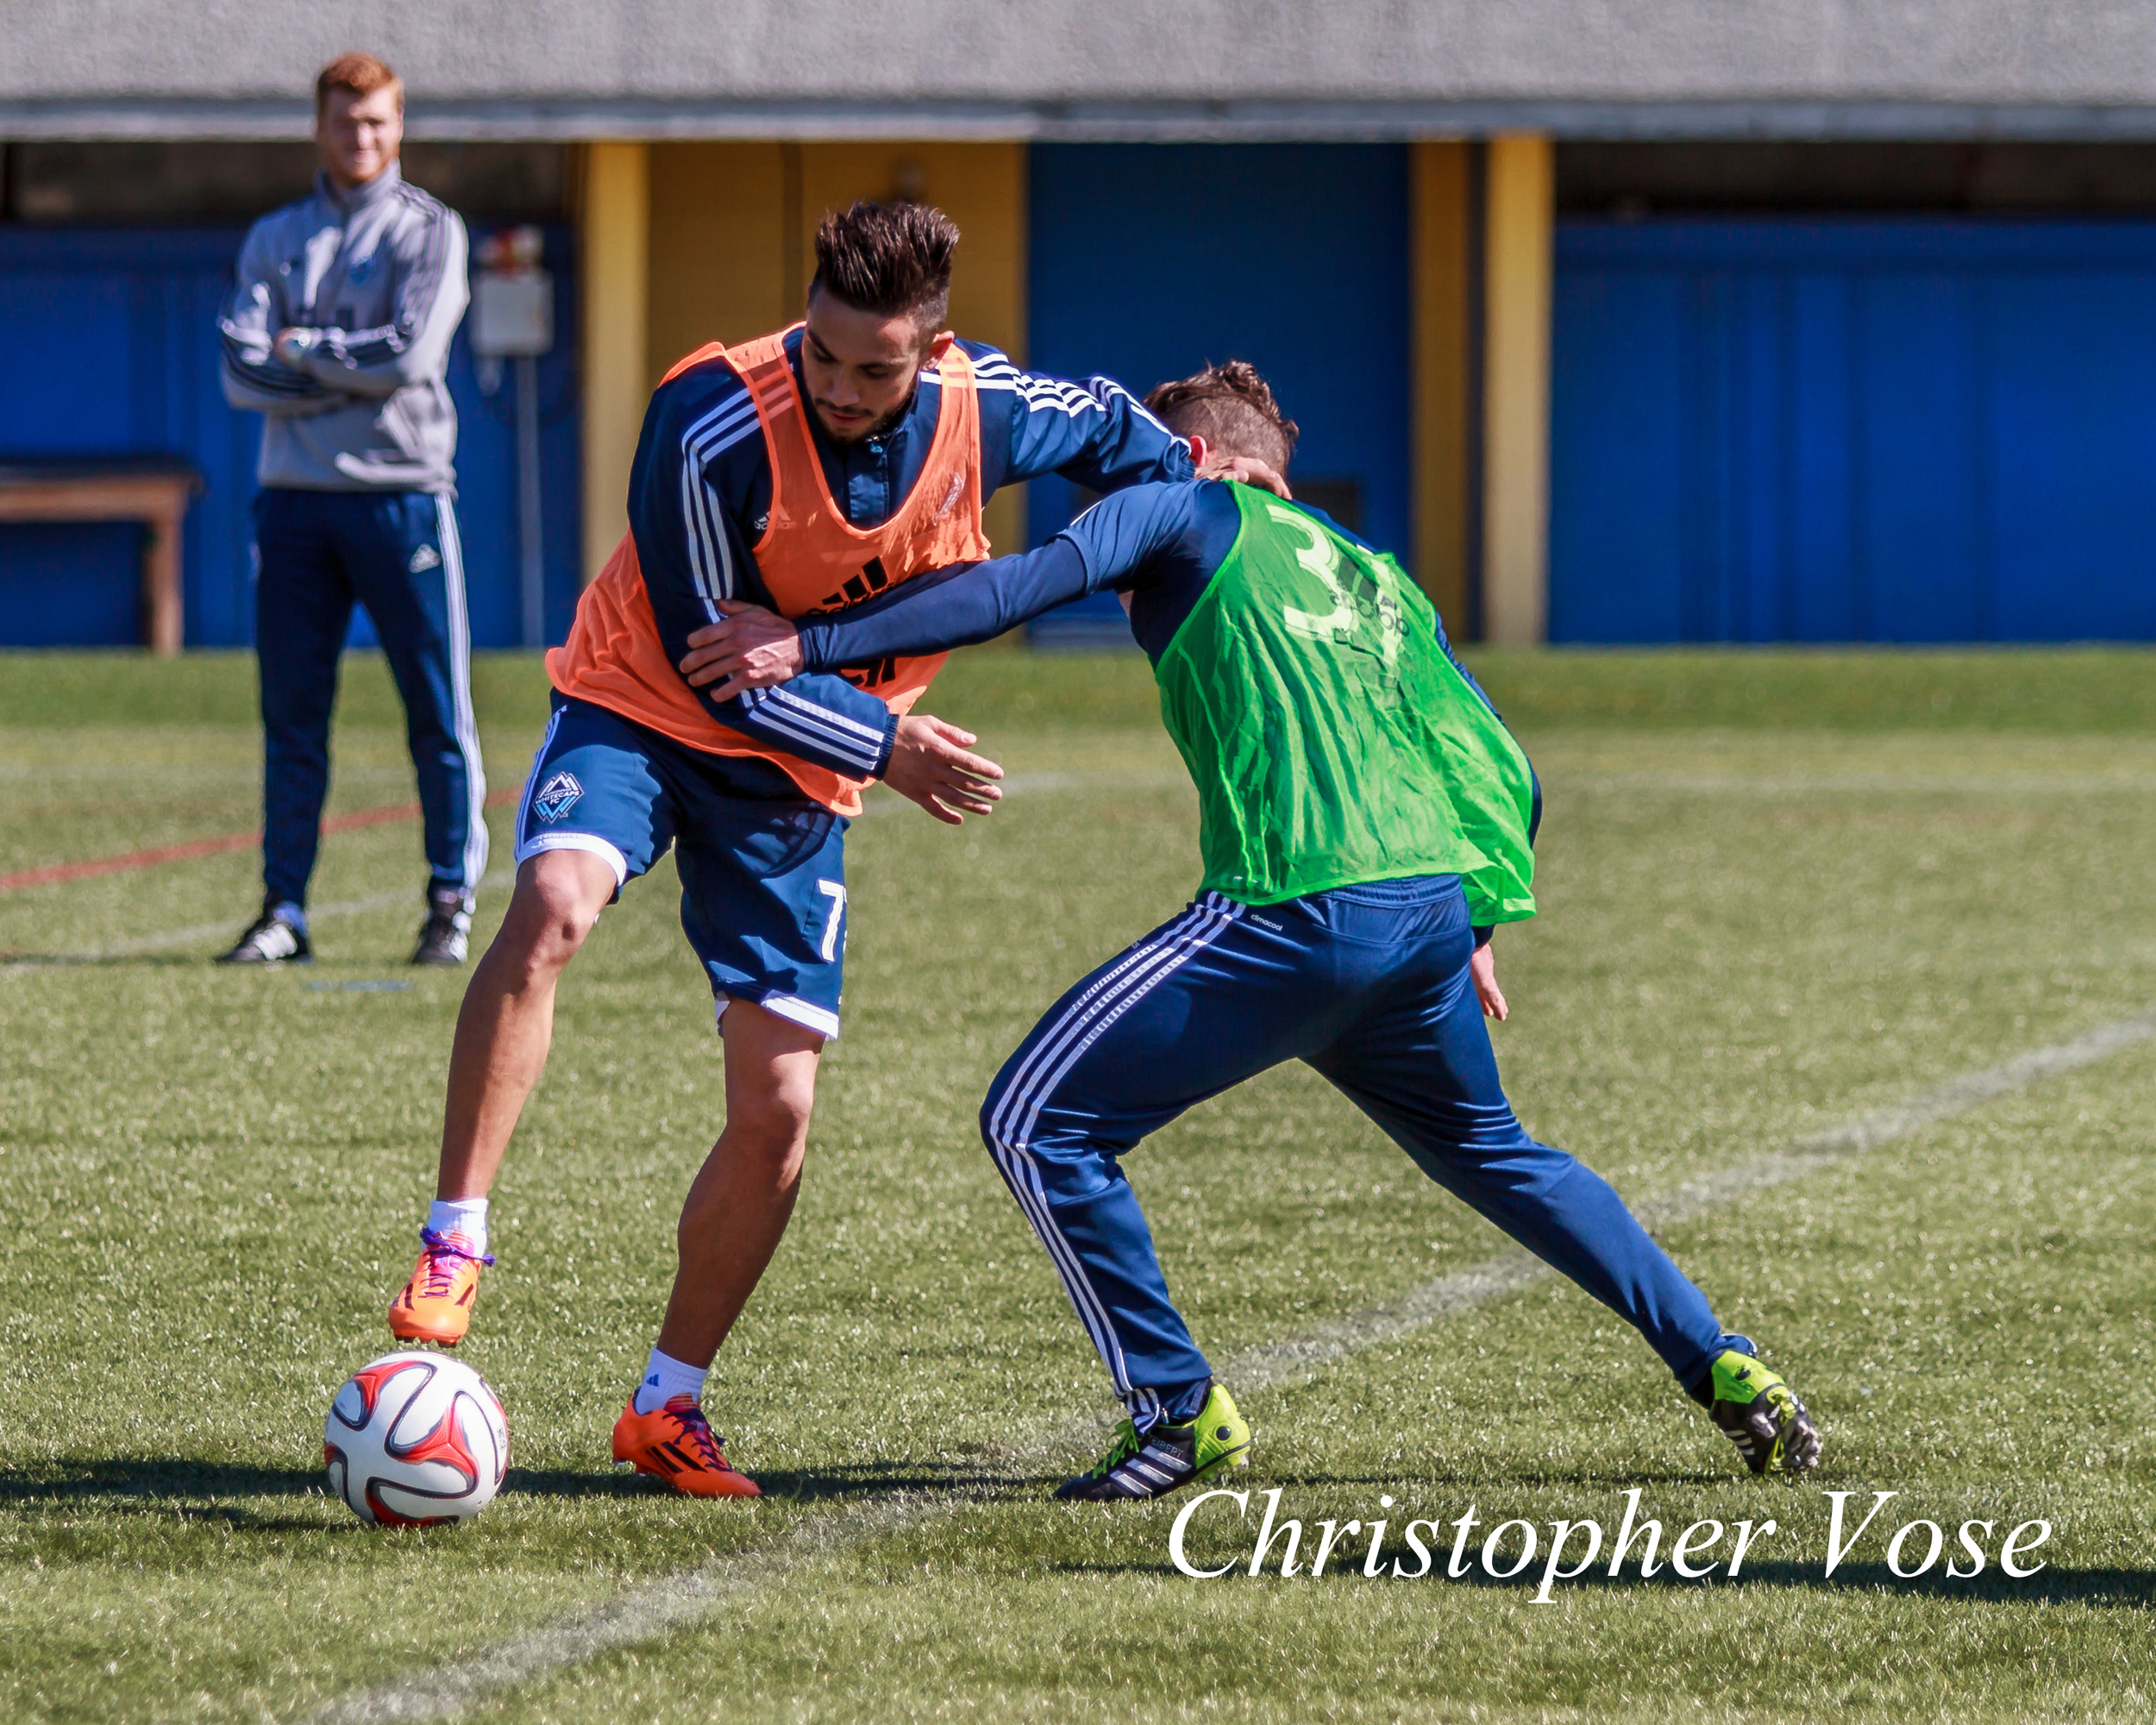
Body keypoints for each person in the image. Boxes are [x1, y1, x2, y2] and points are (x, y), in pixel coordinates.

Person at [680, 361, 1825, 1499]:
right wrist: (1476, 913)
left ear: (1197, 457)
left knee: (1036, 1121)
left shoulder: (1178, 500)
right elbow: (1504, 764)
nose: (1107, 498)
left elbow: (1008, 590)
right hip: (1422, 909)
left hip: (1298, 902)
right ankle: (1720, 1362)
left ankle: (1179, 1412)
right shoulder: (1376, 574)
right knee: (1498, 1152)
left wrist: (804, 645)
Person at [385, 202, 1282, 1498]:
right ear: (803, 318)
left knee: (781, 1110)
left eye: (879, 368)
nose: (845, 391)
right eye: (825, 355)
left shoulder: (990, 408)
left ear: (935, 348)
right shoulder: (706, 420)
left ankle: (667, 1408)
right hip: (646, 703)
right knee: (553, 908)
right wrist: (891, 747)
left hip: (798, 773)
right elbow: (719, 667)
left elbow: (1120, 431)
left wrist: (1209, 475)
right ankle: (457, 1235)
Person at [216, 51, 484, 968]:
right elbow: (239, 370)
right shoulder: (274, 236)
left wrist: (303, 354)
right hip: (292, 504)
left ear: (399, 126)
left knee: (436, 711)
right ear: (319, 126)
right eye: (344, 121)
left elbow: (408, 359)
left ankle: (449, 901)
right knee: (293, 716)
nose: (359, 137)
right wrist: (343, 370)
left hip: (400, 495)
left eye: (375, 121)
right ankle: (282, 910)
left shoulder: (431, 231)